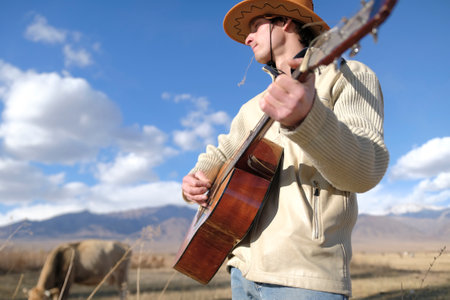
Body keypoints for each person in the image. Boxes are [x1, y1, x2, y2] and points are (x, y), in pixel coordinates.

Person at [182, 0, 389, 299]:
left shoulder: (347, 75)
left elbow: (365, 171)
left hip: (304, 275)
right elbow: (221, 152)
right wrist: (197, 178)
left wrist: (309, 119)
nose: (247, 38)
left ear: (286, 22)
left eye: (255, 27)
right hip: (241, 271)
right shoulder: (252, 107)